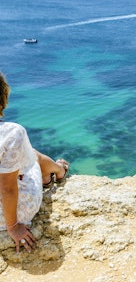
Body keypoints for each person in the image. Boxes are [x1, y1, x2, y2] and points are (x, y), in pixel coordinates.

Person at [0, 72, 69, 253]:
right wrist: (13, 226)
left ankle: (51, 173)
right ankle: (58, 171)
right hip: (13, 212)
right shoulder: (12, 132)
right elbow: (6, 187)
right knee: (32, 156)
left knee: (22, 158)